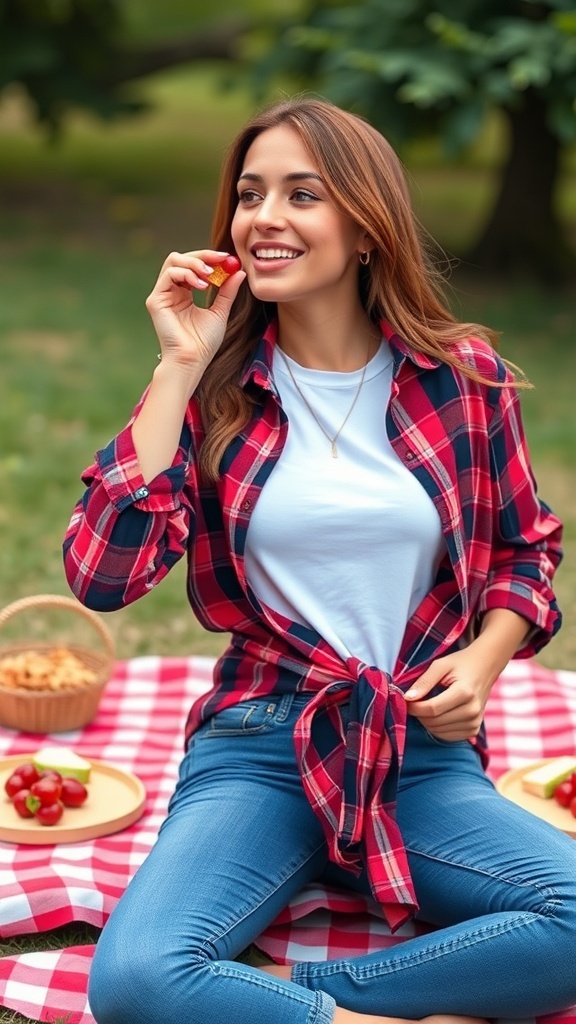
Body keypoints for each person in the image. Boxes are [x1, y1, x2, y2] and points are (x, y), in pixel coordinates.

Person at [63, 96, 576, 1024]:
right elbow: (104, 576)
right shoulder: (209, 389)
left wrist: (487, 654)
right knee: (136, 978)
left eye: (304, 194)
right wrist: (177, 367)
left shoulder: (463, 378)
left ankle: (301, 1005)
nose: (265, 217)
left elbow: (523, 549)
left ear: (366, 227)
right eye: (250, 194)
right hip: (260, 743)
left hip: (417, 746)